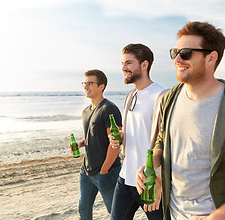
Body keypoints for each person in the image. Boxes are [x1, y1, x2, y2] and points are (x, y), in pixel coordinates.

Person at [136, 21, 225, 220]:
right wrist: (154, 163)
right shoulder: (169, 99)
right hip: (173, 214)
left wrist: (217, 217)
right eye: (174, 52)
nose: (177, 59)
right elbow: (162, 140)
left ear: (211, 58)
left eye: (185, 53)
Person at [109, 43, 168, 220]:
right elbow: (133, 132)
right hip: (125, 177)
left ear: (144, 65)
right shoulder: (130, 95)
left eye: (128, 63)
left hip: (149, 181)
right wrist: (118, 139)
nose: (123, 68)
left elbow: (168, 141)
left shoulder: (161, 96)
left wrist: (160, 182)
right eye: (122, 63)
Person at [71, 69, 122, 220]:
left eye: (90, 83)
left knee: (115, 213)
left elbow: (115, 143)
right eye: (84, 83)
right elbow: (94, 135)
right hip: (86, 171)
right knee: (84, 211)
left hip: (107, 172)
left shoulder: (109, 109)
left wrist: (104, 170)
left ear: (101, 86)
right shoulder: (86, 111)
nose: (85, 87)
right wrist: (82, 143)